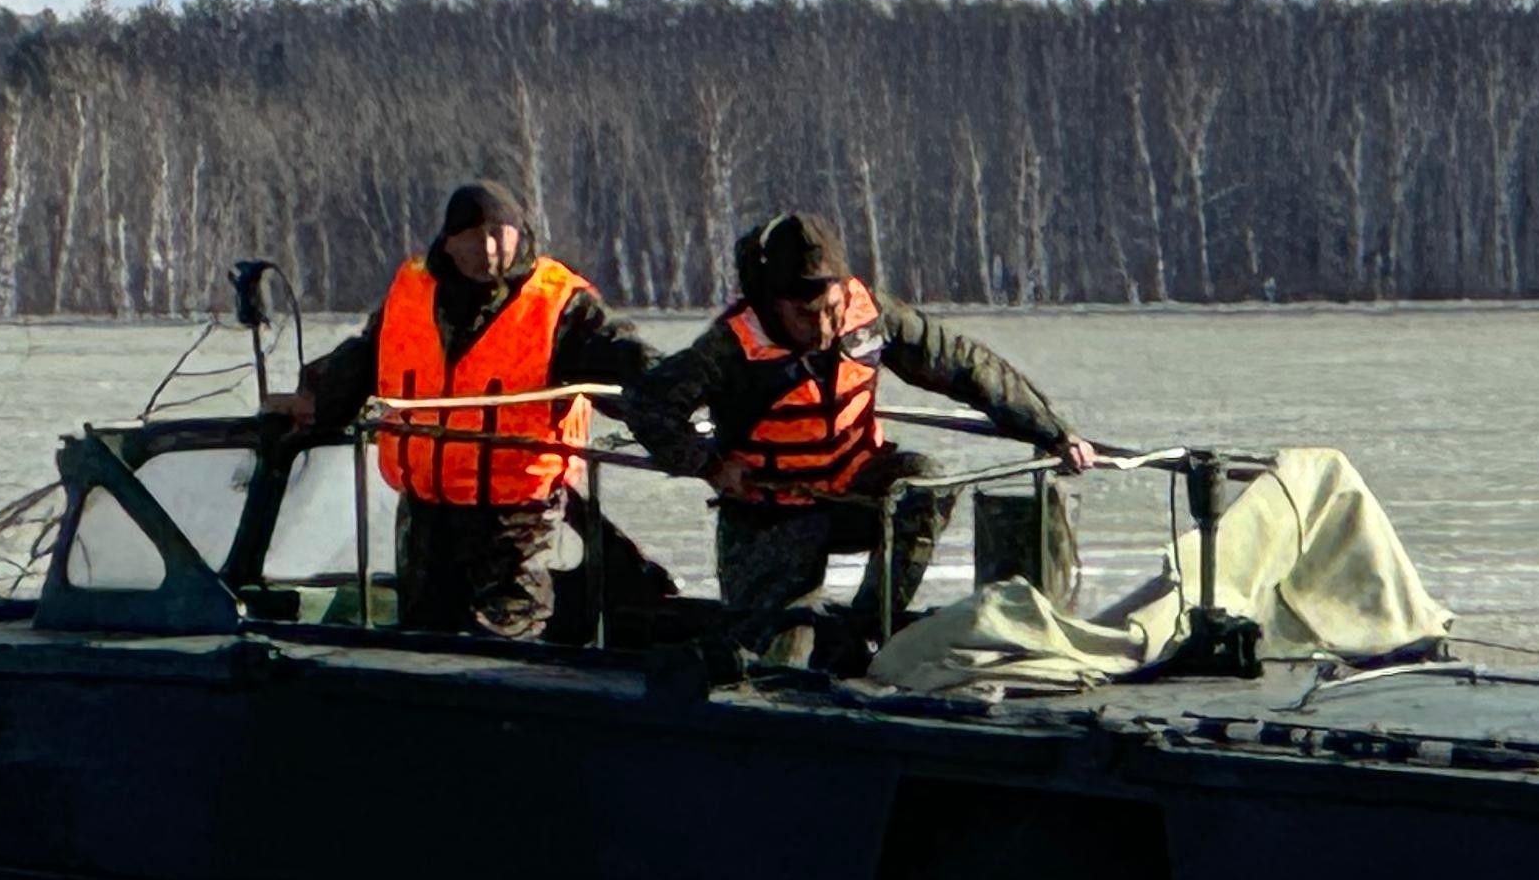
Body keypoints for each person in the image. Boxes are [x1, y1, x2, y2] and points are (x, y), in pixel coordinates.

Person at [626, 210, 1103, 667]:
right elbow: (649, 405)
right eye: (805, 315)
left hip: (855, 491)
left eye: (831, 310)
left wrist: (1052, 430)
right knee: (778, 656)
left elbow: (964, 365)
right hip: (769, 514)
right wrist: (709, 465)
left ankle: (871, 625)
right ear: (774, 304)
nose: (824, 329)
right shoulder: (729, 347)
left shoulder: (871, 315)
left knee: (924, 482)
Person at [272, 179, 657, 640]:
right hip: (426, 517)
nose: (490, 247)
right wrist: (313, 407)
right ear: (450, 241)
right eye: (475, 235)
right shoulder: (411, 294)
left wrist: (678, 403)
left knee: (504, 640)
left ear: (521, 234)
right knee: (422, 641)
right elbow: (362, 362)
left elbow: (631, 365)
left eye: (501, 232)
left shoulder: (561, 305)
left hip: (516, 520)